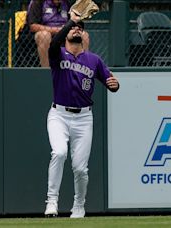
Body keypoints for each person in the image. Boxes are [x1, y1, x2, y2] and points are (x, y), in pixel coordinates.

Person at [44, 11, 119, 218]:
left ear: (84, 36)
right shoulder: (57, 53)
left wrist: (115, 84)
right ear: (67, 32)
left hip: (84, 118)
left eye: (80, 28)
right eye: (73, 28)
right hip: (59, 114)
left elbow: (110, 81)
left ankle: (79, 205)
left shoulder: (93, 60)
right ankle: (52, 200)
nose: (76, 29)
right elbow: (54, 42)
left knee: (80, 169)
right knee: (59, 152)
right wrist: (71, 21)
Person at [27, 0, 89, 67]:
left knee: (84, 35)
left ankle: (81, 69)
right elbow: (33, 26)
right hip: (46, 34)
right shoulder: (38, 2)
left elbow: (75, 22)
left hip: (65, 33)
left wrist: (67, 30)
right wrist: (57, 30)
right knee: (44, 35)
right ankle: (46, 71)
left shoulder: (67, 3)